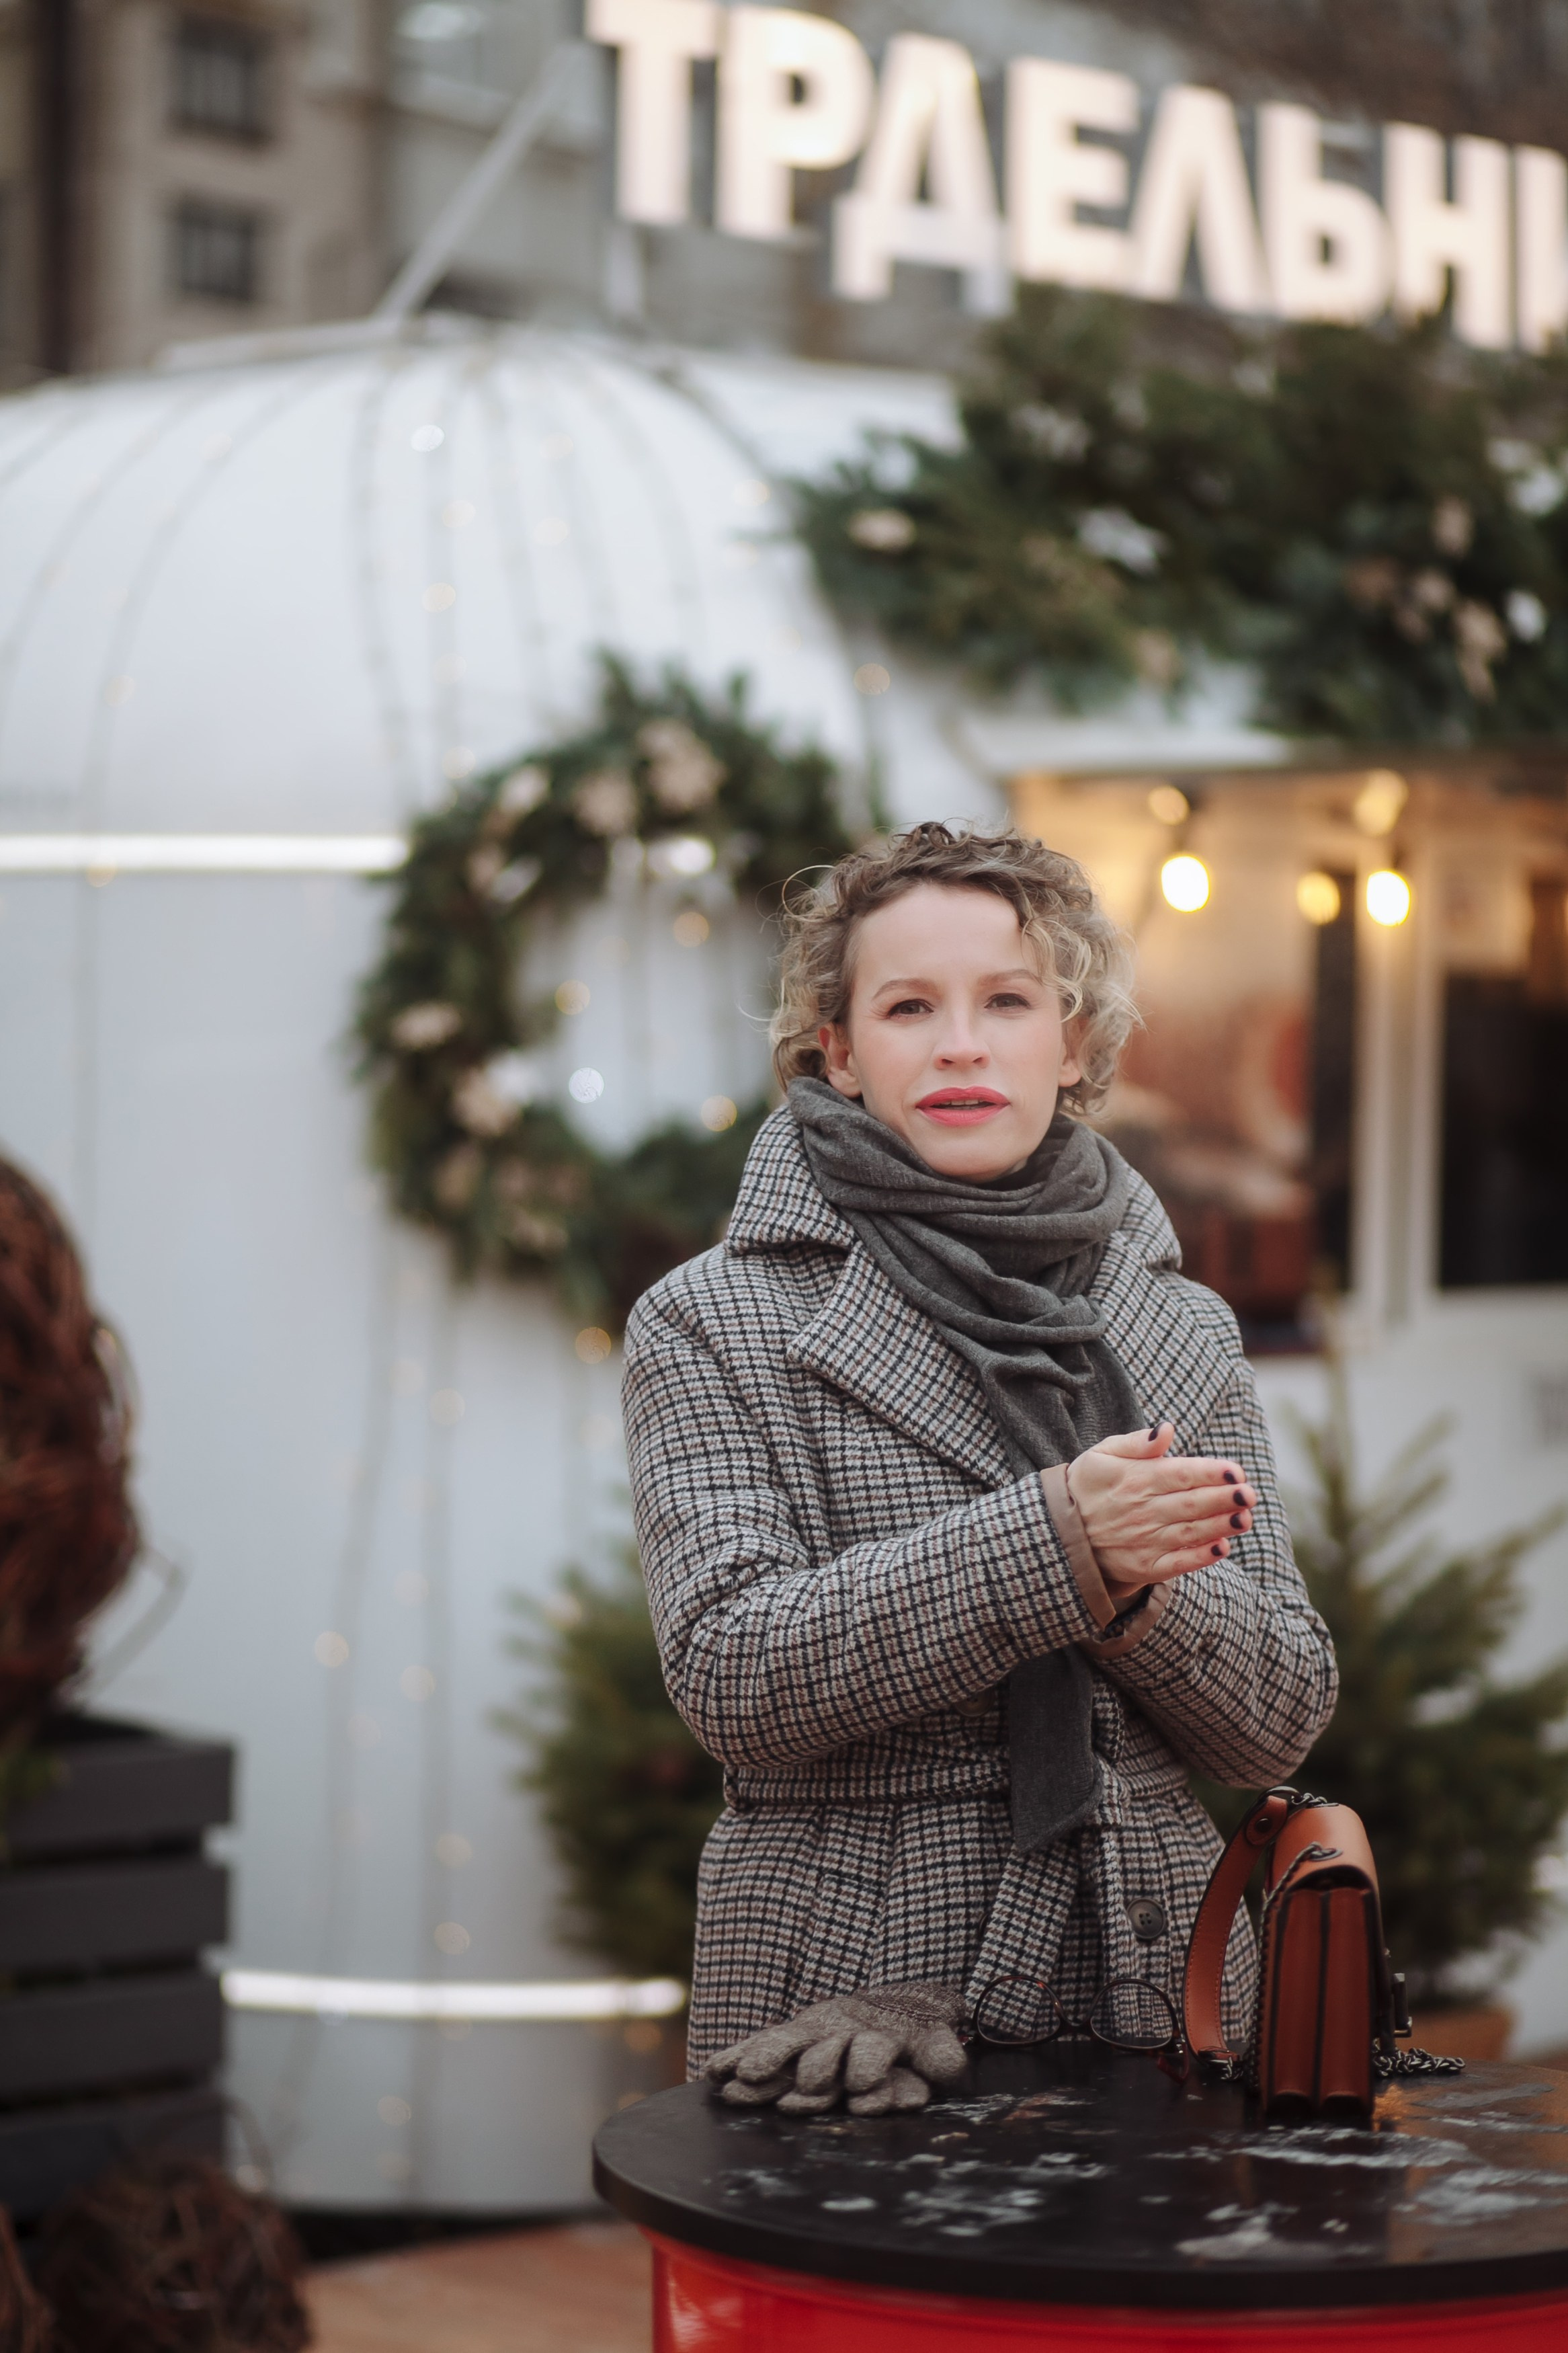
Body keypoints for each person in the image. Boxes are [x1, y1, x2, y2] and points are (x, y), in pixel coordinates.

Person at [621, 824, 1336, 2114]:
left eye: (1006, 1001)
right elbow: (731, 1673)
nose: (960, 1044)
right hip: (850, 1977)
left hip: (1161, 1975)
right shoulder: (712, 1318)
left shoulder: (1182, 1326)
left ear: (1071, 1041)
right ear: (839, 1052)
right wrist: (1060, 1544)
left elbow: (1277, 1719)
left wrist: (1133, 1586)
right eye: (908, 1007)